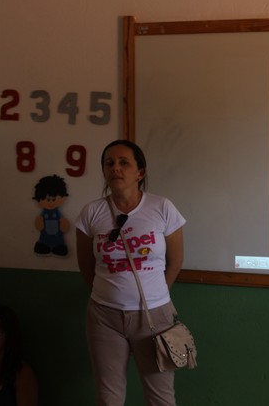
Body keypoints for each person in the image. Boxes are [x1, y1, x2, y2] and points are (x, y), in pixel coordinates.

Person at [76, 139, 186, 405]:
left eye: (124, 163)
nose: (115, 168)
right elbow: (86, 266)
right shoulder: (92, 212)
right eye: (109, 163)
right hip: (104, 318)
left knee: (161, 398)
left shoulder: (162, 208)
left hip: (154, 316)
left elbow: (175, 262)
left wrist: (156, 294)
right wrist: (109, 294)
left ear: (140, 172)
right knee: (108, 397)